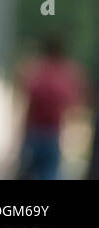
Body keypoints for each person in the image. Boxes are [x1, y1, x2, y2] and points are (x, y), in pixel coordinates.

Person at [16, 33, 87, 179]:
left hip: (34, 131)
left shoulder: (35, 71)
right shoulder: (66, 75)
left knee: (29, 172)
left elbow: (27, 101)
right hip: (52, 132)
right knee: (49, 173)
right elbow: (74, 104)